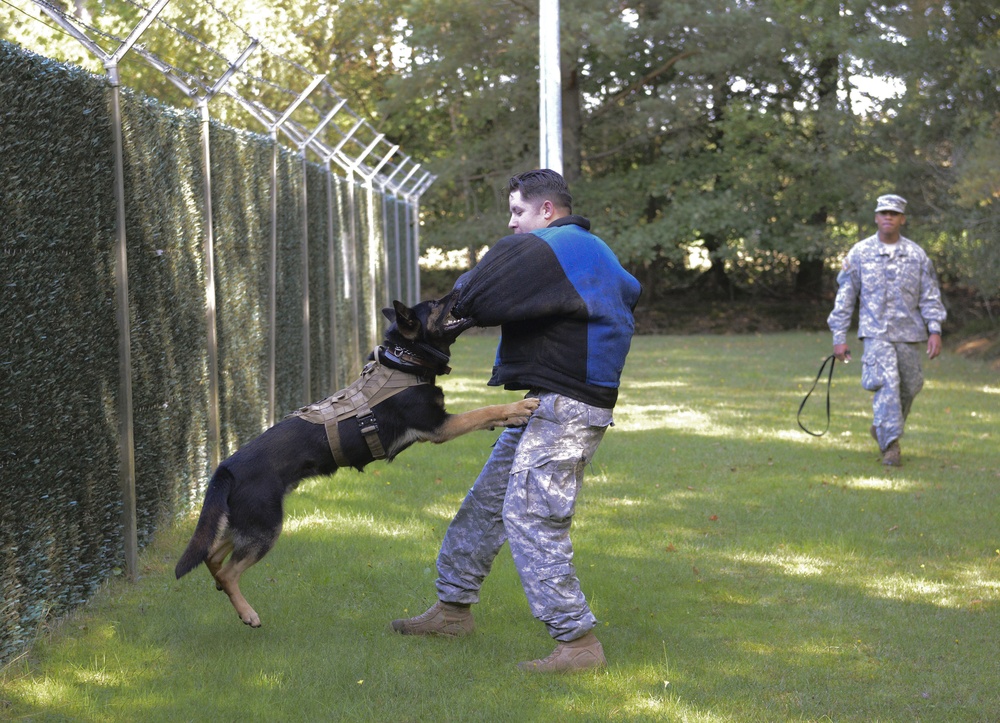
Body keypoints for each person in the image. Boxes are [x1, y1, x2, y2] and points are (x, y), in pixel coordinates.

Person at [390, 169, 642, 673]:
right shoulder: (579, 253)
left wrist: (450, 313)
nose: (512, 224)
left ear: (547, 210)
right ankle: (452, 610)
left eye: (518, 212)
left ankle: (579, 644)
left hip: (569, 407)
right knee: (486, 505)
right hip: (545, 400)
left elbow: (484, 290)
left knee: (533, 516)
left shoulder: (568, 246)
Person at [827, 193, 947, 466]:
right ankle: (891, 446)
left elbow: (930, 295)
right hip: (875, 332)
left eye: (894, 213)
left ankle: (882, 427)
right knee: (888, 384)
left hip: (909, 333)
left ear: (902, 219)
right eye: (883, 213)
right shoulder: (859, 253)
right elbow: (845, 298)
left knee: (911, 385)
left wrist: (935, 329)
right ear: (876, 218)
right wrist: (839, 337)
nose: (888, 217)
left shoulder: (916, 255)